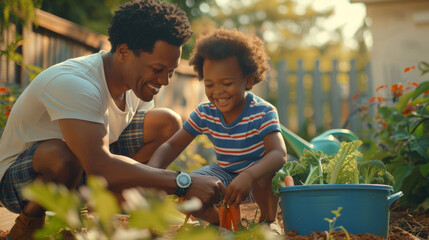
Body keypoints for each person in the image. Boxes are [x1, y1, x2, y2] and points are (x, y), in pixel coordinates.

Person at [0, 1, 225, 239]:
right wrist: (183, 182)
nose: (165, 80)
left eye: (170, 71)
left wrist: (157, 187)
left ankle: (130, 202)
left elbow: (111, 163)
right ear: (124, 52)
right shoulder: (77, 84)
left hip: (84, 171)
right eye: (158, 69)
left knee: (167, 123)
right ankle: (28, 225)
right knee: (61, 155)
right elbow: (99, 166)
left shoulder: (135, 87)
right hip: (20, 181)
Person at [148, 28, 287, 226]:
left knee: (265, 176)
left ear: (248, 80)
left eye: (227, 83)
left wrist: (249, 175)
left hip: (258, 179)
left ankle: (268, 223)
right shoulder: (206, 112)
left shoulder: (263, 112)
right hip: (226, 174)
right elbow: (171, 146)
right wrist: (151, 175)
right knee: (187, 185)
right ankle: (225, 226)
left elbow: (278, 154)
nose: (217, 92)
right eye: (210, 84)